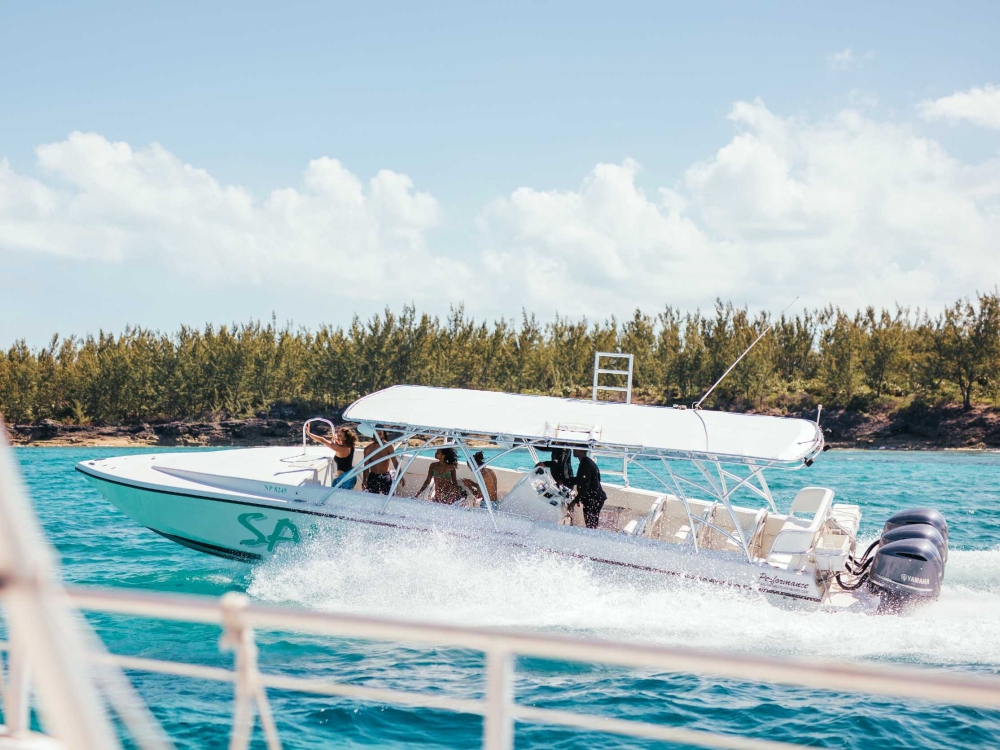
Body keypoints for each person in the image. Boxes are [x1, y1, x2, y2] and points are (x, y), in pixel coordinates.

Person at [306, 424, 358, 489]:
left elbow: (322, 440)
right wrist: (338, 440)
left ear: (345, 438)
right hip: (351, 476)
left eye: (339, 435)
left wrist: (309, 433)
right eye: (338, 434)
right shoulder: (350, 446)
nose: (337, 436)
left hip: (343, 480)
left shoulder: (341, 448)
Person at [570, 447, 607, 529]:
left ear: (582, 451)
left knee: (590, 525)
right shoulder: (587, 461)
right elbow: (580, 479)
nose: (573, 450)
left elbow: (585, 486)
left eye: (576, 449)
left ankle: (592, 536)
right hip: (595, 497)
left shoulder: (585, 464)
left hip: (593, 499)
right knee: (591, 524)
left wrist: (575, 501)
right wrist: (565, 481)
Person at [362, 430, 403, 495]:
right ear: (373, 434)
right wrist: (364, 480)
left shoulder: (388, 446)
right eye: (376, 434)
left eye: (380, 434)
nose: (377, 436)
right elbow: (366, 467)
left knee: (390, 496)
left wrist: (400, 475)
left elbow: (395, 462)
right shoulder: (368, 449)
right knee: (372, 498)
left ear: (383, 435)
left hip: (385, 475)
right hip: (373, 476)